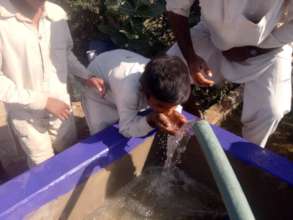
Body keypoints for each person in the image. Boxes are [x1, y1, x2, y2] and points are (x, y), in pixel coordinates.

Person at [166, 0, 293, 147]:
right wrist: (191, 58)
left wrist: (255, 49)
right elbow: (176, 8)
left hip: (268, 46)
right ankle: (194, 127)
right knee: (168, 75)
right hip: (213, 33)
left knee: (269, 112)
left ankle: (245, 156)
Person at [0, 0, 102, 166]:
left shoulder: (56, 15)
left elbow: (65, 53)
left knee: (69, 153)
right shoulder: (3, 20)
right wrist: (43, 101)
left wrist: (86, 75)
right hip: (26, 114)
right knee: (43, 166)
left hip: (61, 107)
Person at [81, 49, 191, 137]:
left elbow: (169, 103)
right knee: (101, 133)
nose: (167, 111)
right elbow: (126, 129)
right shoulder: (130, 91)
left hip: (115, 68)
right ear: (144, 90)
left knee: (126, 111)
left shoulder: (159, 81)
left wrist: (176, 113)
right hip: (97, 89)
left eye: (172, 106)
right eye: (161, 106)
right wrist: (150, 121)